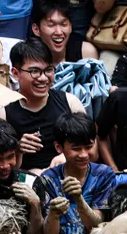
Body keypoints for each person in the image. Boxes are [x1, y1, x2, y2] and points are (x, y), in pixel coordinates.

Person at [35, 112, 115, 234]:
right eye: (76, 148)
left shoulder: (104, 174)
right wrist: (53, 214)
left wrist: (79, 200)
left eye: (89, 146)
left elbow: (96, 225)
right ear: (58, 147)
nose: (84, 154)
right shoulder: (46, 180)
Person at [7, 40, 87, 172]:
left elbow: (92, 150)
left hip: (68, 174)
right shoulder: (5, 109)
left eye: (48, 70)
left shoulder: (70, 102)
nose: (43, 78)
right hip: (23, 181)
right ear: (15, 73)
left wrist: (67, 155)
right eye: (35, 71)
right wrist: (17, 149)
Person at [30, 0, 99, 66]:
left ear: (71, 26)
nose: (59, 32)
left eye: (64, 24)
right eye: (51, 25)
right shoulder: (28, 59)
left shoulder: (86, 54)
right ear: (36, 29)